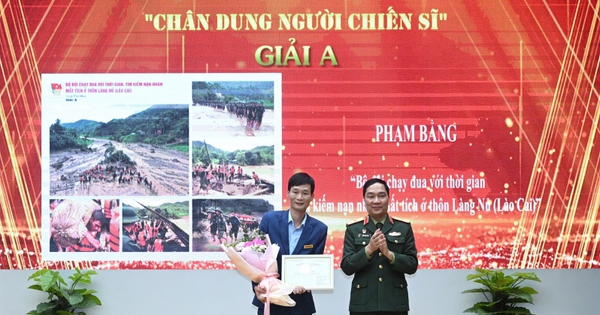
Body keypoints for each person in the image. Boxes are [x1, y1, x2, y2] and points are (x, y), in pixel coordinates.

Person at [252, 172, 328, 315]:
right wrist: (258, 287)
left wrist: (306, 284)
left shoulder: (319, 229)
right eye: (295, 192)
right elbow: (256, 259)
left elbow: (315, 265)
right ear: (288, 193)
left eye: (305, 193)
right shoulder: (269, 220)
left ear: (312, 197)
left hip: (300, 304)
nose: (300, 197)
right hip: (270, 299)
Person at [341, 178, 418, 315]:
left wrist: (390, 254)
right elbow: (347, 266)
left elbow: (412, 265)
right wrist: (368, 250)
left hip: (394, 304)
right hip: (363, 305)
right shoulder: (354, 228)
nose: (376, 201)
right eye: (371, 196)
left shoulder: (403, 227)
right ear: (364, 199)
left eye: (381, 196)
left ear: (389, 198)